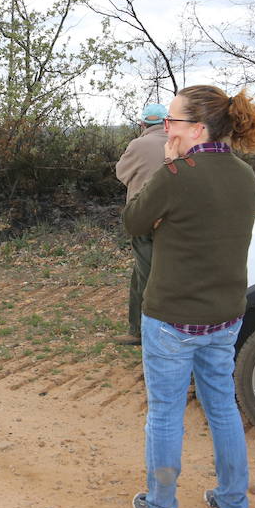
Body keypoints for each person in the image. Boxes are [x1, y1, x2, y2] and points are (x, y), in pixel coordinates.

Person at [123, 85, 255, 508]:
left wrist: (168, 167)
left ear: (198, 128)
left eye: (173, 121)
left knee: (165, 414)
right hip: (224, 317)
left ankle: (160, 506)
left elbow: (134, 221)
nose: (167, 128)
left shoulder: (178, 173)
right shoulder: (244, 174)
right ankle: (234, 501)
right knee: (221, 407)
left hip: (172, 319)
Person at [114, 103, 169, 346]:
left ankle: (152, 334)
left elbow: (122, 173)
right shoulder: (179, 143)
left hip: (144, 218)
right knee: (143, 274)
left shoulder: (138, 144)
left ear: (143, 124)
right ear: (166, 122)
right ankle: (137, 330)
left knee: (147, 277)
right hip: (174, 220)